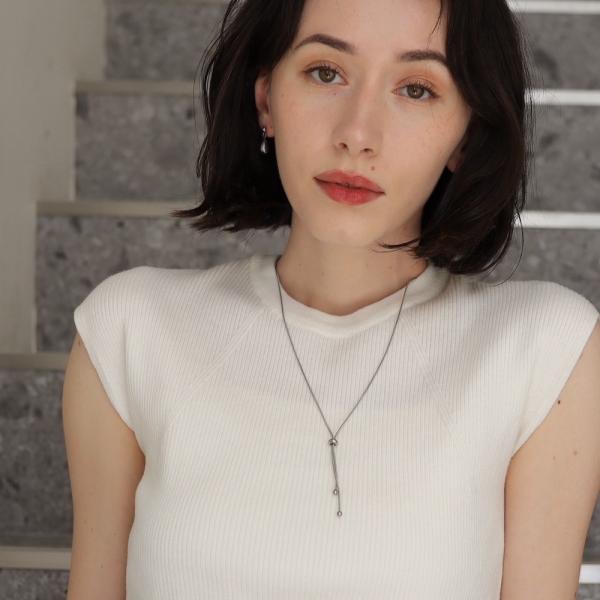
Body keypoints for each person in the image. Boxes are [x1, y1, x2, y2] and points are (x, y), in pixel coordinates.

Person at [63, 0, 600, 598]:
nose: (357, 135)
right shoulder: (131, 330)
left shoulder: (543, 351)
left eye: (417, 89)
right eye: (326, 73)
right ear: (266, 100)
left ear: (466, 136)